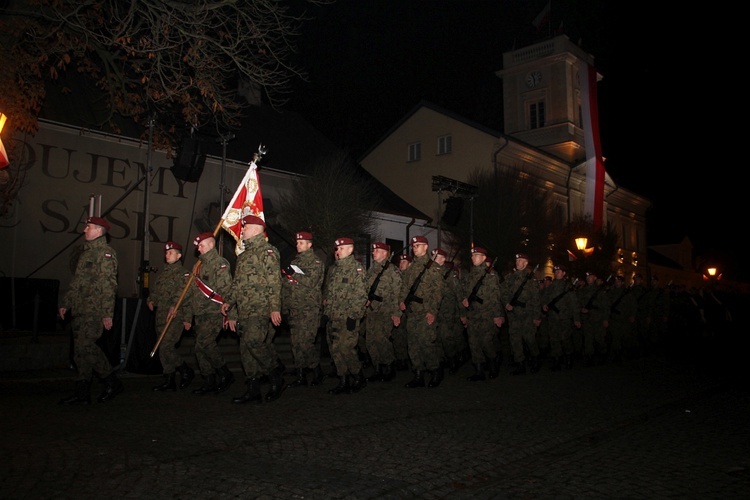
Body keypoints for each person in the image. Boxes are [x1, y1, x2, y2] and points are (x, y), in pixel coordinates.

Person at [58, 216, 123, 404]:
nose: (84, 230)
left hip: (94, 309)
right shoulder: (86, 253)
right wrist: (66, 303)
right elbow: (77, 282)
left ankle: (111, 380)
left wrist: (107, 313)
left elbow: (109, 285)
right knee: (80, 351)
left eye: (89, 227)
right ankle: (82, 391)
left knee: (87, 346)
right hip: (80, 309)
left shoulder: (105, 253)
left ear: (99, 231)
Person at [220, 215, 284, 403]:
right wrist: (229, 303)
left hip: (260, 308)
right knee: (246, 350)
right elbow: (236, 284)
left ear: (256, 230)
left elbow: (274, 282)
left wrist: (275, 308)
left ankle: (275, 375)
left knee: (254, 342)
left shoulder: (268, 252)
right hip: (244, 310)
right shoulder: (244, 256)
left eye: (245, 227)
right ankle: (253, 389)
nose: (242, 231)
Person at [186, 232, 235, 395]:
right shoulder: (198, 265)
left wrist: (231, 313)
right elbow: (193, 290)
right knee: (200, 348)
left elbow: (227, 289)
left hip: (214, 312)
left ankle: (225, 373)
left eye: (201, 245)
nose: (198, 248)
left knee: (205, 343)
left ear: (211, 245)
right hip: (200, 312)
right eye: (198, 246)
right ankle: (209, 379)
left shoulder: (219, 263)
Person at [322, 237, 368, 394]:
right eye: (337, 249)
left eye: (341, 248)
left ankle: (358, 375)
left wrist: (354, 316)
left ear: (350, 250)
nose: (338, 251)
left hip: (348, 317)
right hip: (334, 317)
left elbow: (361, 295)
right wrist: (327, 313)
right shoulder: (334, 270)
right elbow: (330, 294)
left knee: (346, 349)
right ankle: (343, 380)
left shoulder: (357, 269)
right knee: (336, 349)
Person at [282, 231, 326, 388]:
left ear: (309, 244)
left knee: (306, 342)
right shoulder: (295, 262)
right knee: (296, 343)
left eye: (301, 243)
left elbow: (311, 282)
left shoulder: (316, 263)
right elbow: (287, 286)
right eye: (297, 242)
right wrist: (285, 307)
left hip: (309, 309)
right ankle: (300, 375)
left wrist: (293, 273)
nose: (297, 245)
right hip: (295, 308)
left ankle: (316, 370)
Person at [398, 235, 444, 388]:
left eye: (418, 245)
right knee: (413, 345)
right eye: (414, 245)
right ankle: (418, 374)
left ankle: (435, 371)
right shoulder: (411, 268)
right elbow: (404, 286)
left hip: (425, 312)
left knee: (427, 343)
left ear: (426, 247)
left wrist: (432, 311)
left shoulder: (433, 267)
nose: (415, 247)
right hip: (413, 312)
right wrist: (401, 301)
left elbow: (437, 292)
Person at [148, 241, 194, 391]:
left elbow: (185, 296)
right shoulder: (163, 275)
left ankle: (185, 370)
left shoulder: (184, 274)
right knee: (163, 347)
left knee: (166, 346)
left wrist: (187, 318)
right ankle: (169, 379)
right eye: (166, 253)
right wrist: (151, 299)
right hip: (161, 316)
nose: (167, 255)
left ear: (179, 256)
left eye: (171, 253)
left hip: (175, 317)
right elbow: (155, 291)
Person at [460, 247, 504, 381]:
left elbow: (496, 297)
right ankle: (479, 371)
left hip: (487, 314)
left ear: (484, 258)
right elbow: (464, 292)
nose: (473, 258)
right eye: (473, 256)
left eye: (477, 255)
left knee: (486, 342)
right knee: (473, 343)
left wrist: (497, 315)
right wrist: (465, 302)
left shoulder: (491, 275)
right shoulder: (470, 275)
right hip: (473, 315)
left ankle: (493, 365)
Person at [364, 242, 402, 382]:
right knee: (370, 341)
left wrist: (396, 313)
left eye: (377, 251)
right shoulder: (372, 270)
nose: (374, 253)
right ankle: (377, 368)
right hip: (372, 310)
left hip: (386, 310)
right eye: (373, 251)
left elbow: (398, 294)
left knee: (382, 339)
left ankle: (389, 367)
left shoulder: (393, 271)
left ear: (385, 253)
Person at [499, 253, 542, 375]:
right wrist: (506, 303)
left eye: (520, 260)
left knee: (529, 339)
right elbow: (503, 292)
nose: (518, 262)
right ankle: (520, 365)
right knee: (515, 341)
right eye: (517, 260)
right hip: (513, 315)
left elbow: (536, 299)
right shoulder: (510, 278)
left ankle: (535, 359)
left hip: (527, 314)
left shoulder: (531, 279)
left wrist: (536, 317)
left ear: (526, 263)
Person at [433, 249, 467, 375]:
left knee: (446, 337)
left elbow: (459, 294)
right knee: (436, 338)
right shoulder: (430, 273)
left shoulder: (449, 274)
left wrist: (462, 313)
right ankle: (442, 360)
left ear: (443, 259)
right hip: (435, 311)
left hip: (448, 312)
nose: (434, 258)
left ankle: (453, 359)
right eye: (433, 256)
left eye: (437, 256)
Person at [540, 265, 581, 370]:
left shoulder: (568, 287)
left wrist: (576, 319)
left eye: (559, 271)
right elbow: (545, 298)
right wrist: (544, 305)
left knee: (565, 339)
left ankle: (568, 358)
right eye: (556, 271)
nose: (557, 273)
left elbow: (574, 304)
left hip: (564, 318)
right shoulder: (551, 286)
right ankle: (557, 360)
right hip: (553, 318)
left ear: (564, 273)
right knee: (554, 339)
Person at [578, 271, 610, 365]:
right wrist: (581, 310)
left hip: (598, 319)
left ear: (595, 278)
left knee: (599, 338)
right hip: (586, 319)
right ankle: (589, 357)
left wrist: (605, 319)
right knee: (588, 339)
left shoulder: (600, 291)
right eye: (587, 277)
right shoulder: (583, 290)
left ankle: (603, 353)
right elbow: (578, 302)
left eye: (590, 276)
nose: (588, 278)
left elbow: (606, 306)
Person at [607, 275, 637, 362]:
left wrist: (632, 315)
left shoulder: (627, 293)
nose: (617, 283)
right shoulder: (612, 292)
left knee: (625, 337)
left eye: (619, 281)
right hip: (614, 318)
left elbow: (633, 305)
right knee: (615, 337)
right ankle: (617, 355)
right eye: (616, 281)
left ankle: (626, 353)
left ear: (622, 282)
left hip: (624, 318)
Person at [392, 254, 412, 371]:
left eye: (404, 262)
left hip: (408, 310)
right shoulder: (397, 276)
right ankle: (401, 359)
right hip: (398, 309)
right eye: (401, 261)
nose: (401, 264)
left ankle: (406, 359)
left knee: (407, 336)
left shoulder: (411, 277)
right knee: (398, 335)